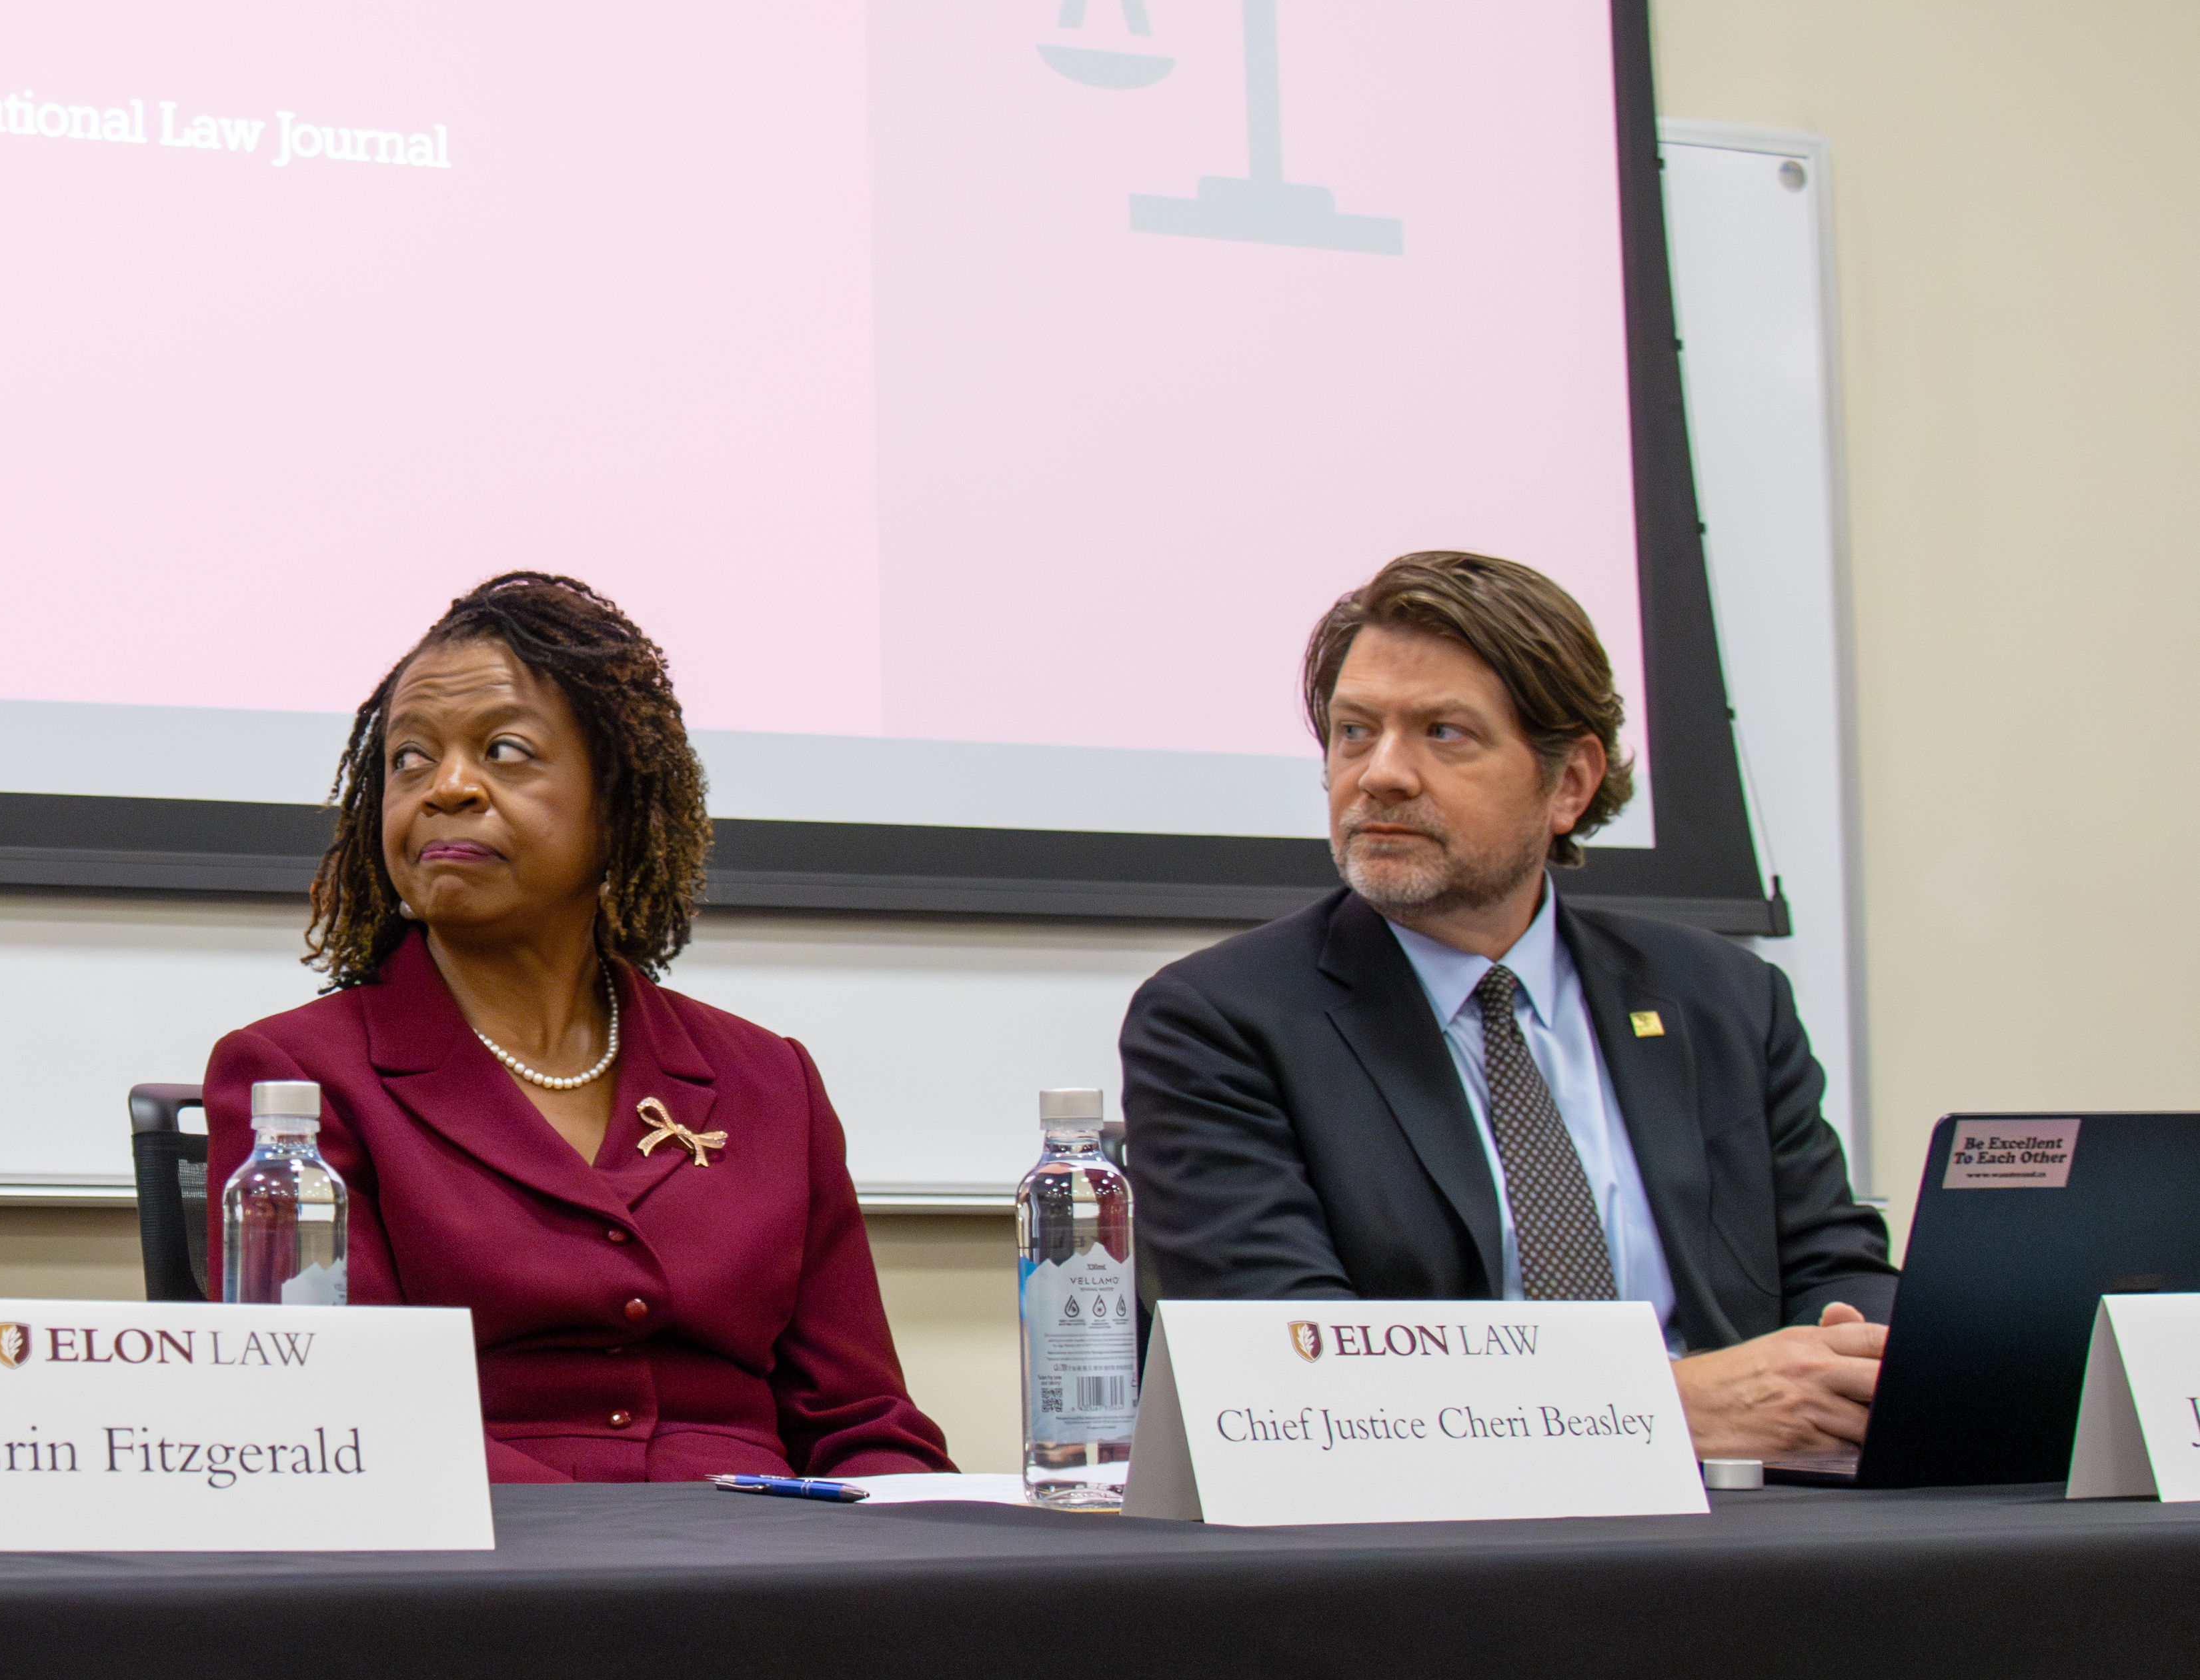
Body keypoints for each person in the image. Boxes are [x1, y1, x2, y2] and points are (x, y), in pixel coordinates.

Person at [1118, 550, 1896, 1463]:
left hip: (1750, 1516)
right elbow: (1292, 1374)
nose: (1381, 775)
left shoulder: (1722, 998)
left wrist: (1872, 1361)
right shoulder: (1217, 1025)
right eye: (1355, 731)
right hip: (1426, 1528)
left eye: (1443, 732)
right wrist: (1664, 1409)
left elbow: (1834, 1271)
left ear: (1569, 783)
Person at [201, 572, 952, 1483]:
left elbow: (863, 1422)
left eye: (505, 749)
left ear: (617, 802)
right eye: (409, 759)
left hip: (767, 1551)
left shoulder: (769, 1080)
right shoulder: (294, 1076)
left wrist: (933, 1542)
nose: (447, 787)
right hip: (484, 1553)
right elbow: (345, 1422)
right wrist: (626, 1547)